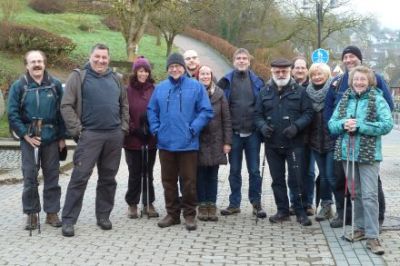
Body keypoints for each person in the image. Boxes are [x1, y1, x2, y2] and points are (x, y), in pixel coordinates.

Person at [60, 43, 129, 237]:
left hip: (114, 136)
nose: (100, 60)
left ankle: (103, 216)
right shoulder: (78, 76)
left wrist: (123, 128)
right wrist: (79, 131)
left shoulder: (116, 79)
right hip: (89, 136)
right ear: (91, 56)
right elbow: (66, 106)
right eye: (97, 57)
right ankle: (69, 220)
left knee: (108, 179)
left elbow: (124, 105)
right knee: (79, 178)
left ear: (109, 59)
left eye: (104, 58)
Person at [324, 45, 394, 228]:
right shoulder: (338, 82)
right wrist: (340, 127)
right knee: (346, 184)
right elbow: (330, 112)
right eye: (345, 57)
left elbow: (388, 109)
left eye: (352, 56)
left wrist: (364, 124)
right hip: (344, 142)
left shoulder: (376, 80)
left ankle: (376, 221)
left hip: (368, 147)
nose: (348, 60)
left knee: (371, 188)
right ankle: (348, 218)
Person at [147, 52, 213, 231]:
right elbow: (151, 109)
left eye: (177, 66)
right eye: (171, 67)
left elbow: (206, 111)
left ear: (183, 68)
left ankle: (190, 215)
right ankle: (172, 214)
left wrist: (193, 129)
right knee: (168, 181)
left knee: (189, 182)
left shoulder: (196, 87)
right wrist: (156, 129)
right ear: (167, 69)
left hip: (188, 144)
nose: (174, 69)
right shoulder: (160, 88)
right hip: (165, 143)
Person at [8, 50, 66, 230]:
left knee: (52, 177)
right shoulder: (19, 86)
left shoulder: (55, 85)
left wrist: (62, 137)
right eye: (33, 61)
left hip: (51, 137)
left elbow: (62, 112)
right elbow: (13, 113)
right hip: (29, 139)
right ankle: (32, 214)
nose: (37, 64)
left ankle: (52, 213)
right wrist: (25, 135)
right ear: (27, 65)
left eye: (39, 61)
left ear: (45, 63)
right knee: (30, 177)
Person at [255, 58, 314, 226]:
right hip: (272, 143)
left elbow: (309, 113)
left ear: (290, 71)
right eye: (277, 71)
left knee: (296, 179)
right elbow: (257, 114)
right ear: (272, 72)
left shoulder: (300, 91)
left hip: (295, 143)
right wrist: (262, 126)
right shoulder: (264, 91)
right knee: (277, 179)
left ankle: (300, 211)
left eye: (284, 71)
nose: (281, 74)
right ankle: (282, 210)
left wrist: (296, 126)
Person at [217, 48, 267, 218]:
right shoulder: (225, 82)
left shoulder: (258, 82)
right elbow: (221, 109)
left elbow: (264, 107)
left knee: (254, 171)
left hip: (253, 134)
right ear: (233, 61)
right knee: (234, 171)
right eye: (238, 58)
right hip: (234, 134)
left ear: (249, 61)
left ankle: (256, 203)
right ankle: (234, 204)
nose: (241, 61)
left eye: (244, 58)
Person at [195, 65, 232, 222]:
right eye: (202, 74)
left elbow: (227, 119)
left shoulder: (219, 94)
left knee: (213, 176)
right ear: (198, 76)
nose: (205, 76)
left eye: (207, 74)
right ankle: (202, 206)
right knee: (200, 175)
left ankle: (212, 205)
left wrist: (227, 142)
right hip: (199, 141)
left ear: (211, 75)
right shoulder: (194, 92)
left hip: (216, 141)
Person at [124, 56, 159, 219]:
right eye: (140, 71)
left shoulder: (154, 89)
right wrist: (134, 128)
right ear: (135, 72)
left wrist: (152, 129)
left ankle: (148, 202)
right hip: (133, 139)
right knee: (135, 172)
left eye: (145, 71)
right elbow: (123, 112)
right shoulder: (127, 90)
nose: (143, 74)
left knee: (148, 172)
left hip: (150, 138)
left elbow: (159, 110)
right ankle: (132, 203)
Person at [305, 63, 336, 221]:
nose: (317, 77)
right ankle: (326, 206)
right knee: (323, 175)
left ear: (327, 75)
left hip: (332, 140)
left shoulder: (334, 90)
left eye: (320, 74)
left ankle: (340, 207)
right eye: (314, 74)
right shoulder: (307, 92)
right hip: (315, 141)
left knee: (331, 175)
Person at [290, 56, 315, 216]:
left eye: (303, 67)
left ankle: (308, 203)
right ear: (292, 70)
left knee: (310, 172)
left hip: (311, 136)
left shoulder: (313, 87)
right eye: (297, 67)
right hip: (293, 136)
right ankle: (294, 202)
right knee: (294, 171)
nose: (300, 70)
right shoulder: (287, 86)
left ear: (307, 70)